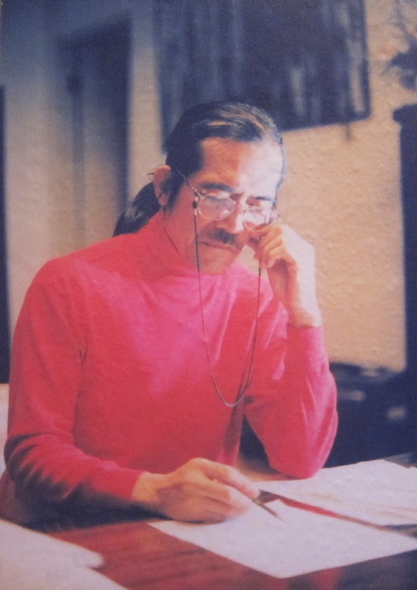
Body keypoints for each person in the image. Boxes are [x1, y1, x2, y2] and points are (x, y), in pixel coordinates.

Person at [0, 101, 337, 526]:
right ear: (164, 187)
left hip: (184, 527)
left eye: (256, 204)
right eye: (216, 196)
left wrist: (305, 313)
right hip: (65, 528)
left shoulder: (256, 298)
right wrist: (154, 491)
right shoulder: (68, 283)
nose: (235, 225)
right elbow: (32, 454)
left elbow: (301, 458)